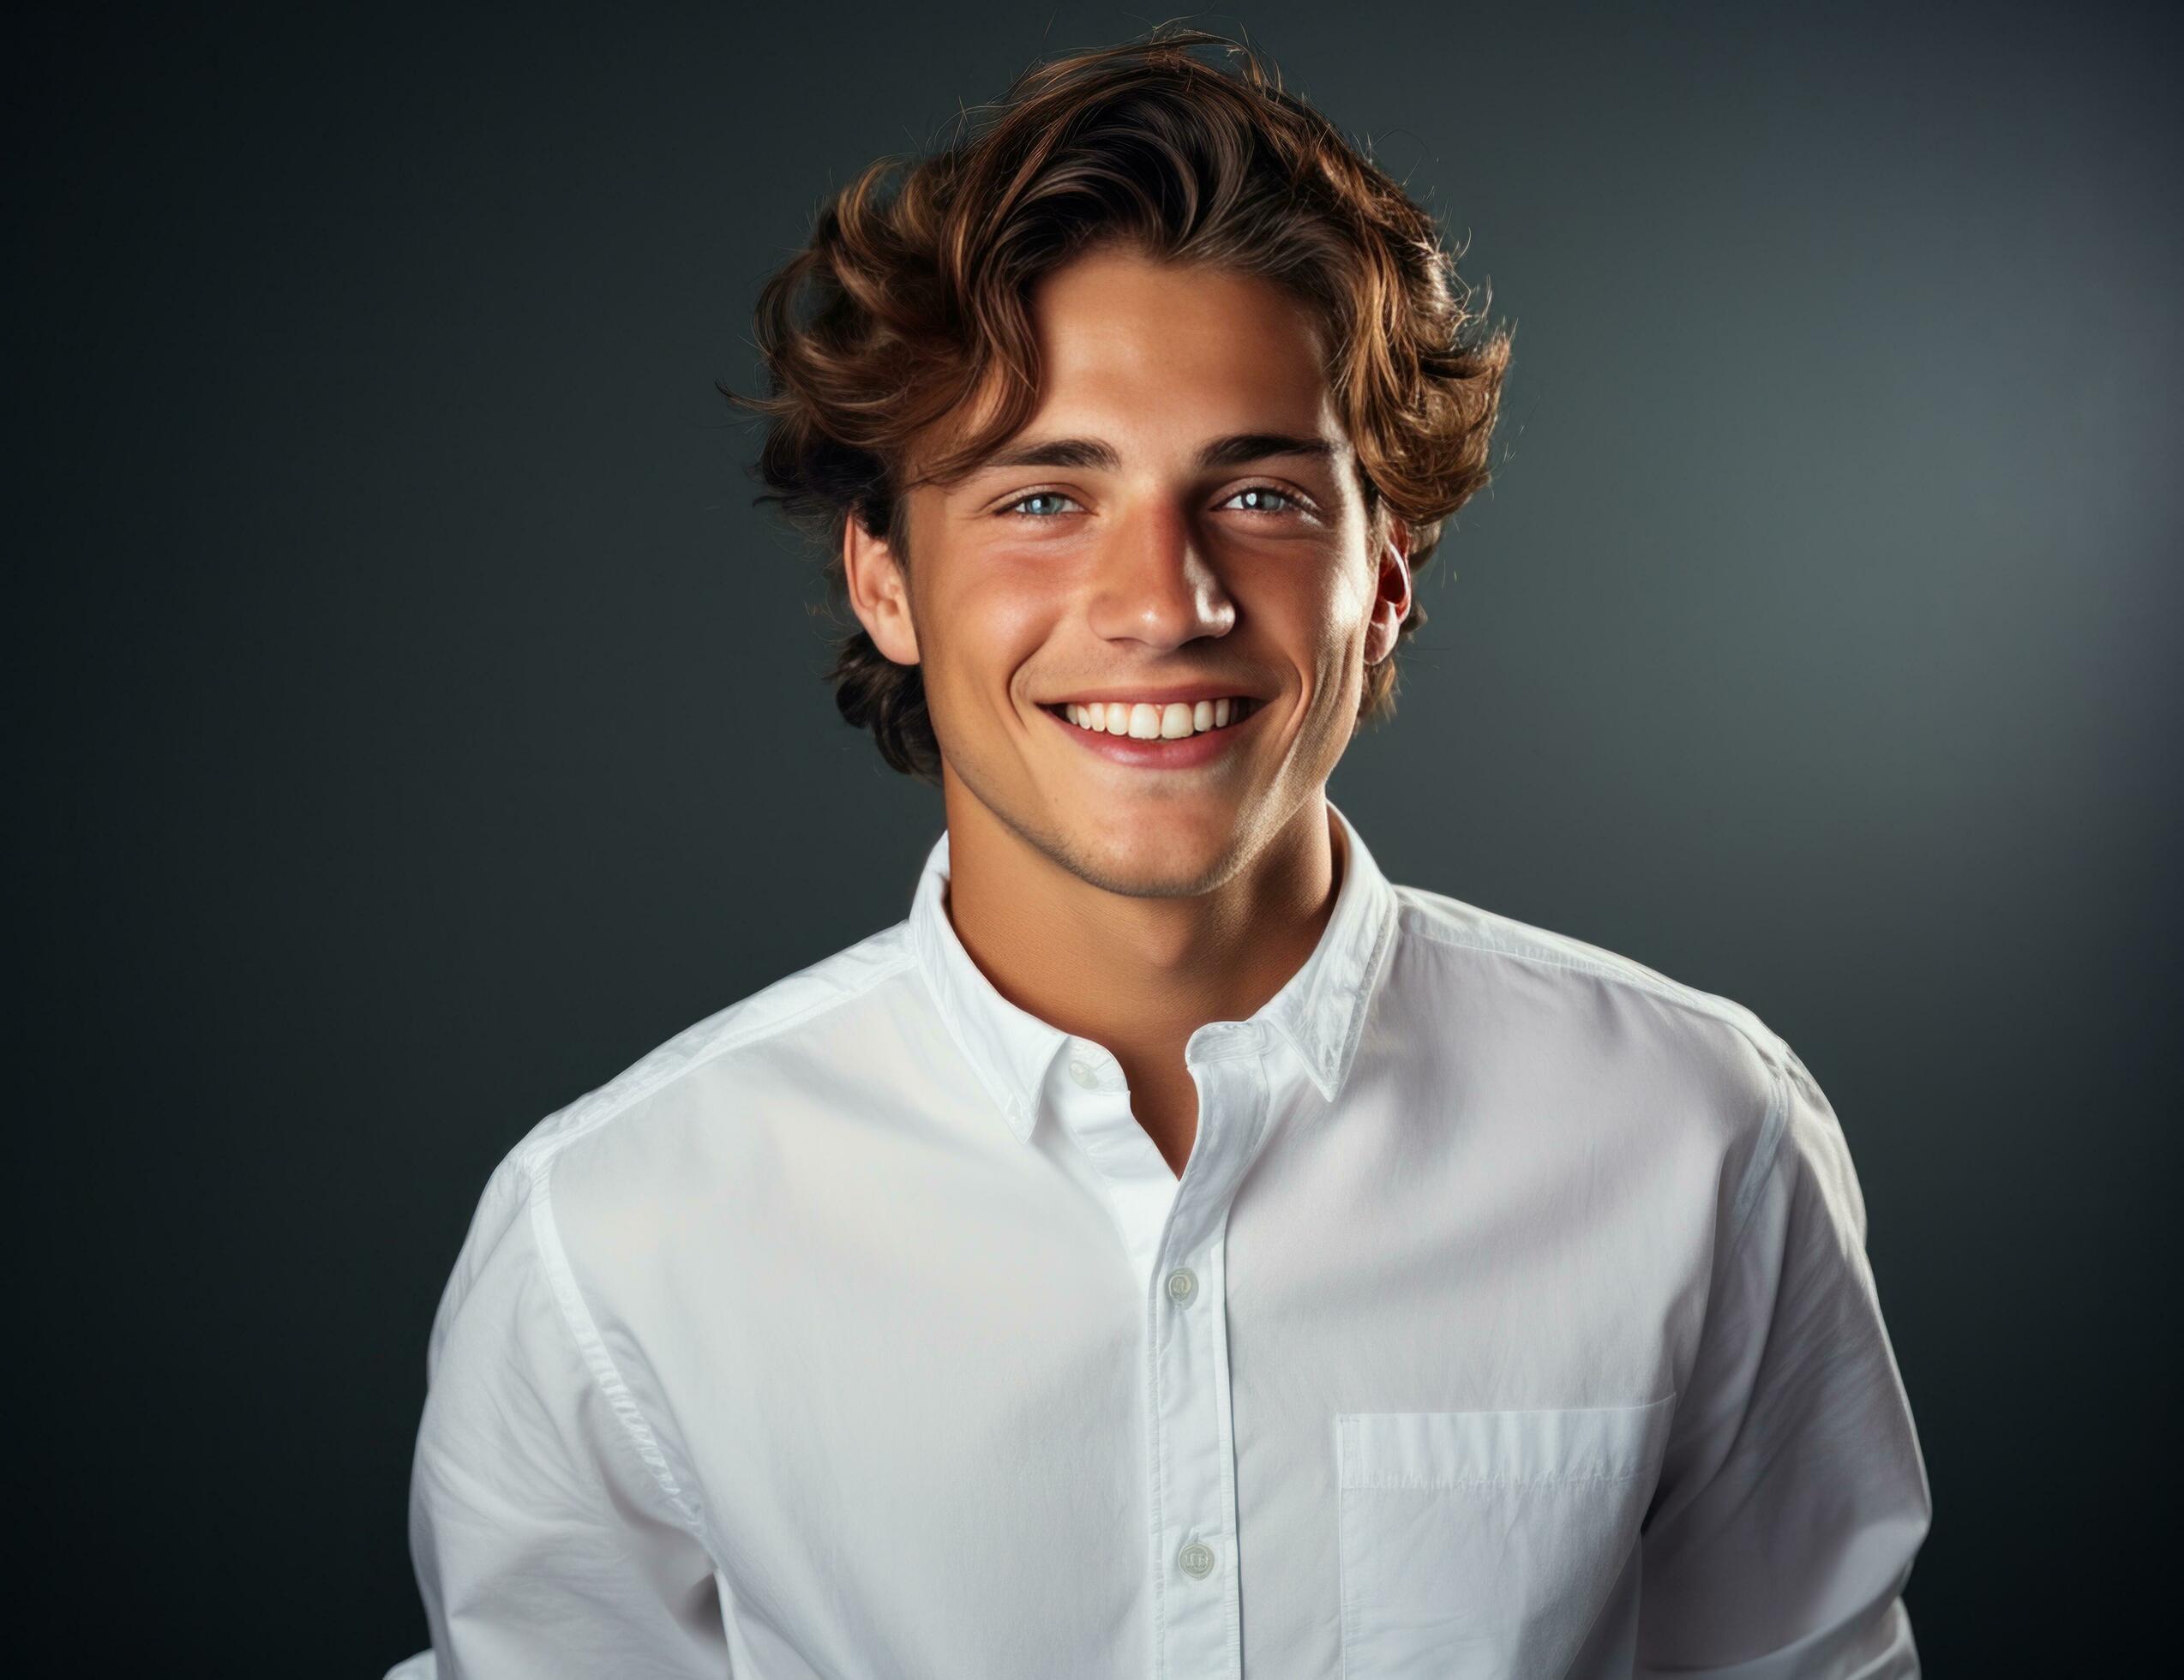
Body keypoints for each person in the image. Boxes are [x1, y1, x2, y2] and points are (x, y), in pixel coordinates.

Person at [390, 27, 1929, 1678]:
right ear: (886, 581)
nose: (1163, 605)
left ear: (1386, 572)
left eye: (1259, 494)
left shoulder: (1697, 1138)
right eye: (1043, 498)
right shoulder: (615, 1235)